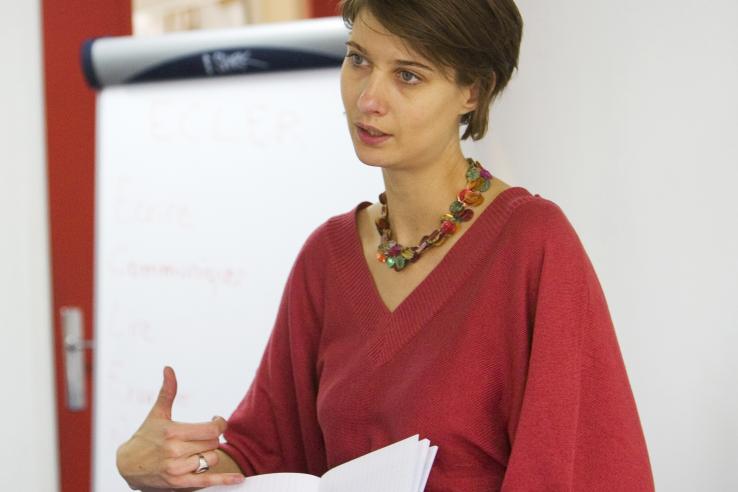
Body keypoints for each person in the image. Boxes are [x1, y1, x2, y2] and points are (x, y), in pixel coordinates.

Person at [117, 0, 655, 490]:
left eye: (409, 76)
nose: (369, 98)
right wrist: (160, 468)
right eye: (358, 60)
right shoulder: (327, 257)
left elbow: (586, 470)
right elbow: (266, 455)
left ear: (473, 91)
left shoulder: (532, 246)